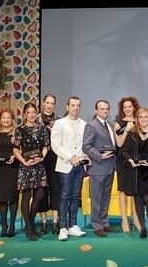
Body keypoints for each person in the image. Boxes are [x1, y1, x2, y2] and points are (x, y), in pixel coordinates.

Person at [121, 107, 148, 240]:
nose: (143, 119)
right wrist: (130, 160)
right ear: (137, 119)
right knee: (138, 201)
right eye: (141, 117)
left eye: (146, 117)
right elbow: (124, 151)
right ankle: (143, 229)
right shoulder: (132, 134)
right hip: (136, 173)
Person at [51, 96, 88, 241]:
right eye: (73, 105)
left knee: (75, 196)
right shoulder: (59, 123)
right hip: (65, 165)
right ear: (67, 107)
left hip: (79, 165)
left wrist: (84, 157)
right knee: (65, 196)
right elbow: (55, 145)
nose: (75, 108)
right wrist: (69, 157)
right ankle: (63, 227)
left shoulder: (84, 124)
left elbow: (84, 145)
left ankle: (73, 225)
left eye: (78, 105)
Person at [13, 103, 50, 241]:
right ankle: (30, 228)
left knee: (39, 195)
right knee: (27, 196)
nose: (32, 115)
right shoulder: (20, 130)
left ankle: (30, 224)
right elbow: (16, 149)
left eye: (34, 112)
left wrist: (41, 157)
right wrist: (23, 161)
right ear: (24, 114)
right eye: (29, 112)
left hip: (39, 166)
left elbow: (46, 147)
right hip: (26, 165)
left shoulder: (42, 129)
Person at [82, 99, 119, 237]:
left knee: (105, 197)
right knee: (97, 198)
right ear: (96, 110)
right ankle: (96, 224)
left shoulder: (109, 125)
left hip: (110, 167)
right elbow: (86, 146)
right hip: (98, 168)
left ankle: (104, 222)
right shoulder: (91, 126)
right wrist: (99, 156)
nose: (105, 111)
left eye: (107, 108)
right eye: (102, 109)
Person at [113, 96, 142, 234]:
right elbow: (118, 143)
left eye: (130, 106)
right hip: (123, 161)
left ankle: (136, 219)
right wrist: (127, 129)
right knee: (123, 191)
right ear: (122, 109)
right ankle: (124, 220)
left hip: (137, 160)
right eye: (125, 107)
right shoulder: (118, 123)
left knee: (136, 190)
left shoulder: (140, 121)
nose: (128, 109)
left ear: (134, 107)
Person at [0, 108, 20, 238]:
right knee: (2, 198)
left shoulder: (16, 133)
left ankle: (12, 225)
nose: (6, 120)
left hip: (12, 168)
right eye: (3, 118)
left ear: (12, 119)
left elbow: (19, 149)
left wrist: (14, 156)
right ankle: (4, 225)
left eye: (8, 118)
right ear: (0, 119)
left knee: (13, 197)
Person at [36, 94, 62, 235]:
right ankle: (44, 222)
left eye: (52, 103)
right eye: (47, 102)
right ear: (43, 103)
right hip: (40, 158)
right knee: (42, 190)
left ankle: (55, 222)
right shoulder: (36, 119)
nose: (49, 105)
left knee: (56, 189)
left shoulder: (59, 120)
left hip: (55, 157)